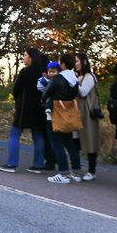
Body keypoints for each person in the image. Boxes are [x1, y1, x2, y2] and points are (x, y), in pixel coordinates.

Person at [0, 48, 46, 174]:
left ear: (31, 57)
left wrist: (17, 100)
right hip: (40, 108)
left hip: (24, 107)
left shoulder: (25, 71)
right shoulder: (43, 72)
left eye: (25, 55)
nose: (23, 57)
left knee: (14, 134)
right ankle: (38, 165)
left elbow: (16, 89)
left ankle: (11, 163)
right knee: (38, 135)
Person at [43, 55, 83, 183]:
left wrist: (44, 101)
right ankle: (76, 173)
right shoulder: (74, 79)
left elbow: (45, 94)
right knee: (70, 143)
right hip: (69, 114)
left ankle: (63, 174)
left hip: (55, 114)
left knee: (57, 144)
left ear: (64, 64)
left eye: (60, 62)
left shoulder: (58, 78)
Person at [75, 52, 102, 181]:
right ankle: (76, 168)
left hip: (87, 112)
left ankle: (92, 170)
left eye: (76, 61)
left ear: (84, 61)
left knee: (90, 140)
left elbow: (83, 92)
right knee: (75, 141)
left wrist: (72, 80)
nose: (75, 64)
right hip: (76, 112)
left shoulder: (89, 76)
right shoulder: (77, 76)